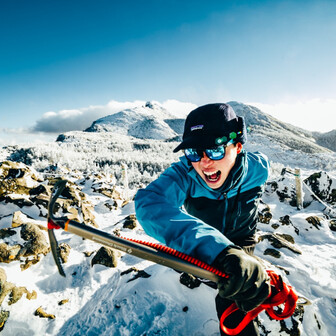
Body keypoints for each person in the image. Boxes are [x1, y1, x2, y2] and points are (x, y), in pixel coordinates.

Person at [134, 103, 270, 335]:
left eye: (216, 149)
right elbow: (148, 203)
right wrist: (215, 249)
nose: (204, 162)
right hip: (206, 246)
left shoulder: (258, 169)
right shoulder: (185, 173)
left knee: (238, 292)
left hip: (242, 240)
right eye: (195, 151)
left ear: (238, 146)